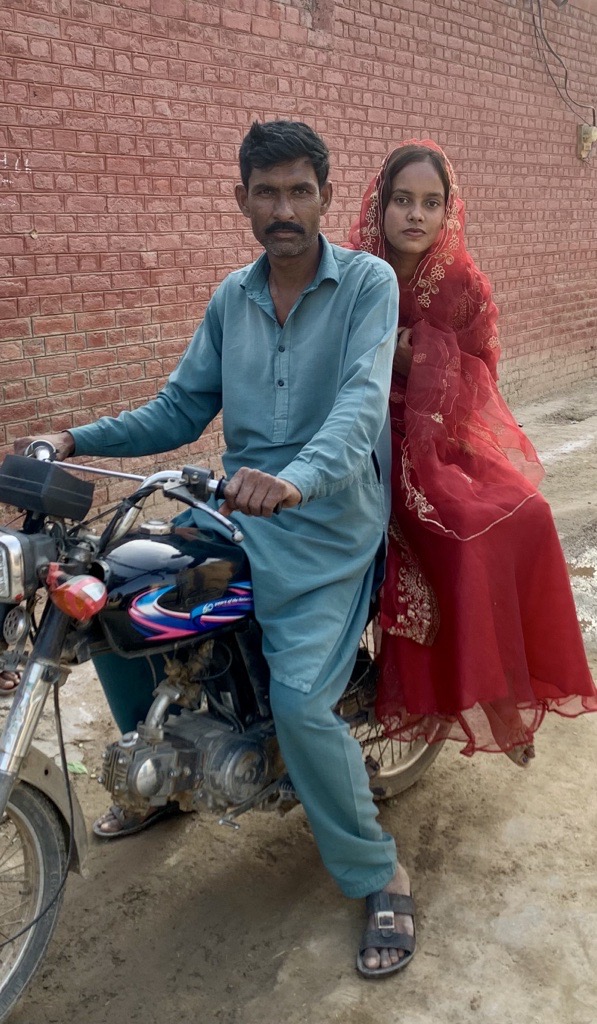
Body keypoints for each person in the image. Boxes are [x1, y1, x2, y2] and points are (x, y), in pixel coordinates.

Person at [15, 121, 415, 977]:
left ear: (324, 197)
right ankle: (162, 787)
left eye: (298, 190)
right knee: (107, 599)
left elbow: (359, 406)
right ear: (240, 200)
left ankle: (376, 870)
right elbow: (176, 408)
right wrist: (68, 433)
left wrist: (295, 479)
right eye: (264, 193)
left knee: (306, 706)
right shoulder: (232, 297)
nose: (282, 209)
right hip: (234, 512)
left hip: (326, 525)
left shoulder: (367, 285)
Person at [347, 139, 597, 761]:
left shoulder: (462, 283)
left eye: (431, 203)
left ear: (448, 212)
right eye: (401, 199)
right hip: (369, 437)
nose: (415, 214)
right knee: (461, 530)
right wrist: (389, 360)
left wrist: (426, 359)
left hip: (441, 438)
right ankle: (491, 702)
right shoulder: (351, 273)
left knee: (529, 515)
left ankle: (509, 684)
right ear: (379, 206)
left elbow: (482, 371)